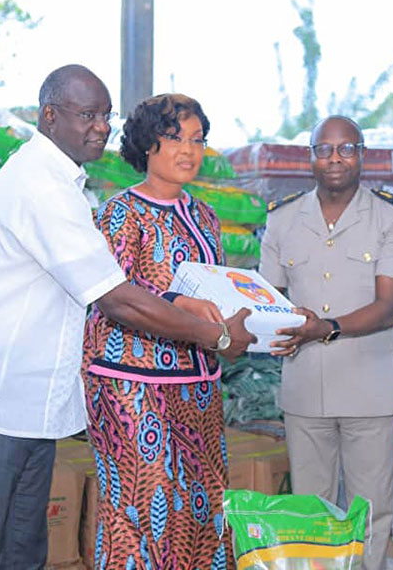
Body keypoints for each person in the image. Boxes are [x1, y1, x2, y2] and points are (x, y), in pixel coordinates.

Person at [0, 68, 253, 569]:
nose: (100, 126)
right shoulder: (41, 185)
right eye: (87, 114)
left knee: (21, 547)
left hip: (32, 399)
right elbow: (116, 300)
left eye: (105, 115)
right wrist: (215, 335)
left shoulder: (67, 185)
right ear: (49, 115)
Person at [83, 93, 240, 569]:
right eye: (174, 138)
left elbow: (220, 295)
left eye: (197, 139)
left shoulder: (207, 217)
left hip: (197, 384)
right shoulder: (120, 213)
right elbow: (112, 297)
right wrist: (178, 303)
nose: (188, 150)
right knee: (141, 508)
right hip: (129, 383)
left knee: (204, 509)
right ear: (147, 144)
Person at [259, 115, 393, 570]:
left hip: (369, 390)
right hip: (305, 389)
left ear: (362, 155)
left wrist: (323, 327)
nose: (335, 159)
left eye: (346, 149)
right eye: (324, 149)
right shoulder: (283, 218)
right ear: (310, 157)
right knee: (311, 515)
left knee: (368, 516)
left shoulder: (391, 216)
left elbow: (388, 307)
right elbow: (266, 299)